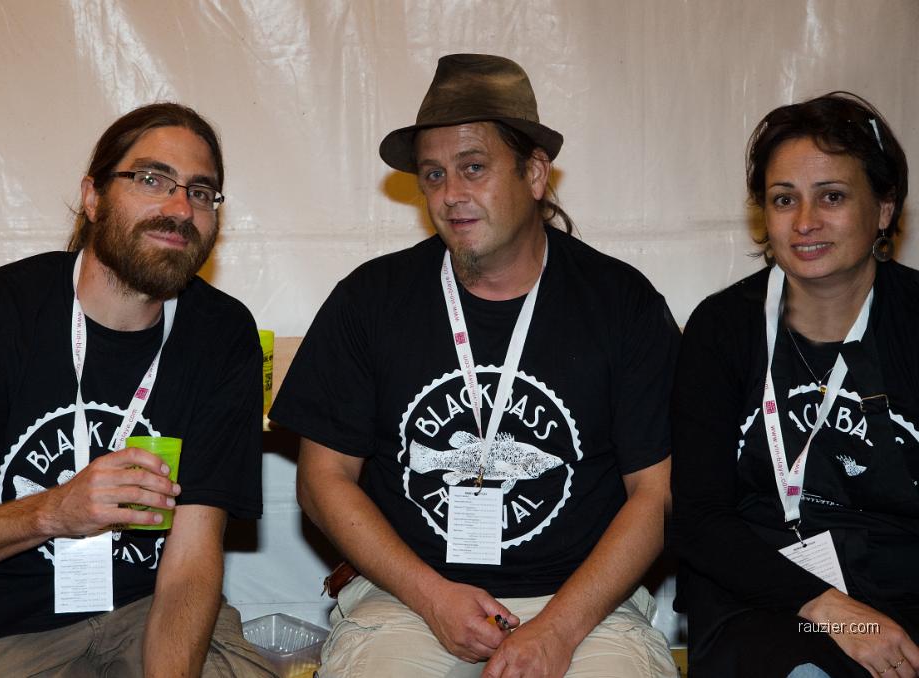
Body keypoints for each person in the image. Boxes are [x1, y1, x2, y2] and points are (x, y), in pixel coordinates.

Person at [269, 53, 680, 678]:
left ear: (534, 173)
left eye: (474, 167)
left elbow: (656, 493)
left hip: (584, 605)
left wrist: (558, 629)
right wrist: (432, 596)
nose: (451, 194)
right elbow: (322, 479)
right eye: (433, 175)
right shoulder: (370, 299)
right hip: (407, 599)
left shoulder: (623, 304)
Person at [0, 103, 276, 678]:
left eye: (200, 192)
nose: (180, 208)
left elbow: (191, 561)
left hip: (148, 611)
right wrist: (51, 512)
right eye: (152, 179)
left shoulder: (222, 334)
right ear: (93, 197)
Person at [672, 92, 919, 677]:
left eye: (832, 196)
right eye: (784, 199)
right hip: (765, 600)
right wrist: (834, 611)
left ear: (884, 208)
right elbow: (699, 518)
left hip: (904, 592)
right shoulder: (722, 328)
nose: (805, 222)